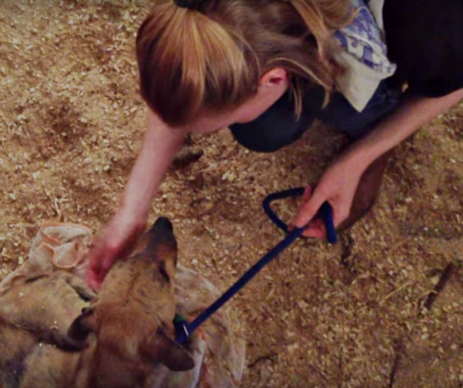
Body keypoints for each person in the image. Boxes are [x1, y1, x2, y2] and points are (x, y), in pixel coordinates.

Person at [86, 0, 463, 289]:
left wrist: (359, 158)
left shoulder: (433, 25)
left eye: (222, 121)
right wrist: (131, 210)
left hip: (408, 32)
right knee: (261, 130)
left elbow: (450, 88)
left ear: (273, 78)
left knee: (353, 113)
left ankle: (372, 124)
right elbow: (189, 64)